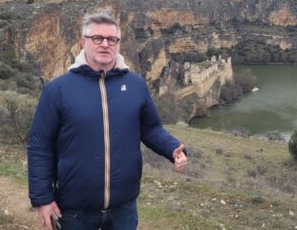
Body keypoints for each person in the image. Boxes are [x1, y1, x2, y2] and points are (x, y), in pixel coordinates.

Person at [27, 13, 187, 230]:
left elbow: (150, 128)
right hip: (74, 211)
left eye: (112, 39)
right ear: (83, 42)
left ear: (119, 44)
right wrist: (43, 199)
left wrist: (172, 148)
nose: (105, 44)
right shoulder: (58, 90)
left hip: (124, 208)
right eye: (97, 38)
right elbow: (40, 145)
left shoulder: (135, 85)